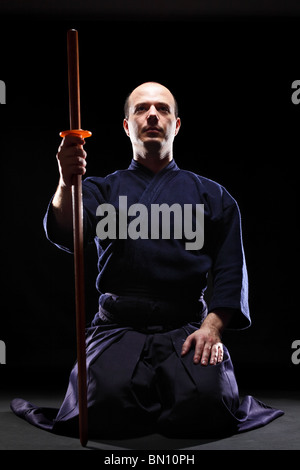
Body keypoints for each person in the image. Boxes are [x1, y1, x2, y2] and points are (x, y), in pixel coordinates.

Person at [11, 82, 283, 439]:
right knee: (99, 407)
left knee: (208, 405)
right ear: (127, 125)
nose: (152, 114)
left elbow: (232, 270)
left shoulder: (213, 195)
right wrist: (66, 182)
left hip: (186, 326)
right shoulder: (99, 189)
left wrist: (212, 328)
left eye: (162, 108)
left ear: (176, 124)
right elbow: (68, 232)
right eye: (141, 109)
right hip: (117, 326)